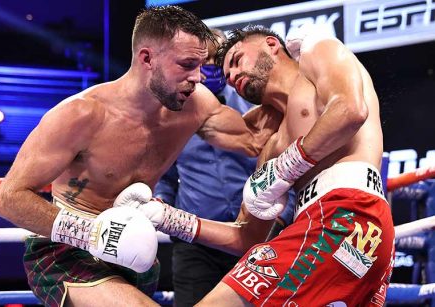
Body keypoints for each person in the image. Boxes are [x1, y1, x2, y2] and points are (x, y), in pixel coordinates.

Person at [0, 7, 281, 306]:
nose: (198, 77)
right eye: (187, 64)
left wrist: (292, 76)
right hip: (67, 251)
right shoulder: (81, 114)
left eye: (200, 65)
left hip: (136, 257)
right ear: (147, 59)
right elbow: (8, 199)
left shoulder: (196, 107)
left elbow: (255, 140)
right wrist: (93, 234)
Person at [135, 24, 395, 306]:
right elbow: (245, 236)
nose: (233, 76)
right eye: (228, 76)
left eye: (236, 61)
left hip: (348, 213)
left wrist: (286, 167)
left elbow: (350, 111)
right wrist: (168, 218)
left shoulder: (316, 52)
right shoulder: (273, 144)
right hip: (336, 227)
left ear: (271, 45)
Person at [154, 28, 256, 306]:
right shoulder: (171, 115)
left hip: (255, 234)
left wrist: (282, 216)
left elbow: (282, 163)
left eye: (215, 59)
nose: (209, 66)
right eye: (202, 60)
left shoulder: (256, 106)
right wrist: (162, 205)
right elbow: (165, 174)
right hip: (196, 241)